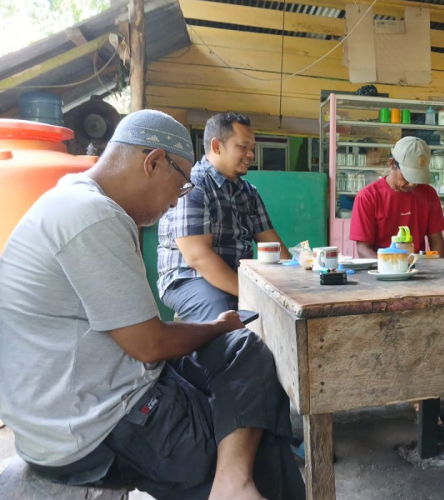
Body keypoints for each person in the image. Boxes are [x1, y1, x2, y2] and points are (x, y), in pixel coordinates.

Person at [0, 110, 304, 500]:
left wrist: (224, 329)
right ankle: (236, 486)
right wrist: (216, 325)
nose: (173, 204)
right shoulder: (90, 216)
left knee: (245, 351)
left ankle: (234, 483)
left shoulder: (76, 198)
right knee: (258, 437)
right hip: (94, 425)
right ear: (154, 162)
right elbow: (149, 344)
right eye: (179, 189)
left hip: (98, 390)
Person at [157, 112, 291, 323]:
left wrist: (295, 279)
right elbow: (198, 258)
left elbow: (271, 242)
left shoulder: (249, 192)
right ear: (217, 146)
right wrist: (252, 292)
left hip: (237, 277)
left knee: (288, 313)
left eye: (252, 148)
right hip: (190, 278)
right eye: (243, 147)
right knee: (228, 320)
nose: (251, 155)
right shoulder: (193, 186)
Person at [349, 136, 444, 258]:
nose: (413, 184)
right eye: (407, 176)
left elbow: (437, 240)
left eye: (417, 176)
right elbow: (362, 247)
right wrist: (387, 267)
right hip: (380, 270)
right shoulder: (368, 197)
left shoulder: (429, 194)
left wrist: (437, 268)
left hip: (419, 269)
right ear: (392, 164)